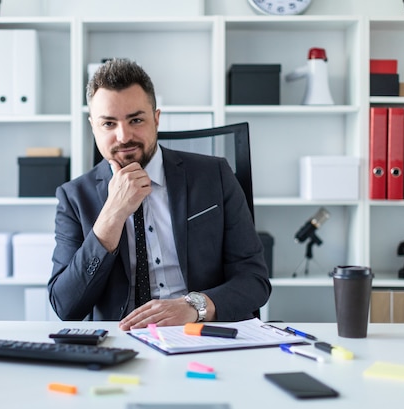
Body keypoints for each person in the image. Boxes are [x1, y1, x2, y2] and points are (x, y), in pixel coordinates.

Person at [48, 58, 271, 330]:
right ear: (93, 126)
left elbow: (254, 280)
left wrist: (193, 307)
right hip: (119, 341)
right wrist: (112, 213)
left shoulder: (215, 175)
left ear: (156, 118)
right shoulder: (74, 197)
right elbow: (65, 306)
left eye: (136, 120)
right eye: (108, 124)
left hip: (201, 333)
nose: (123, 136)